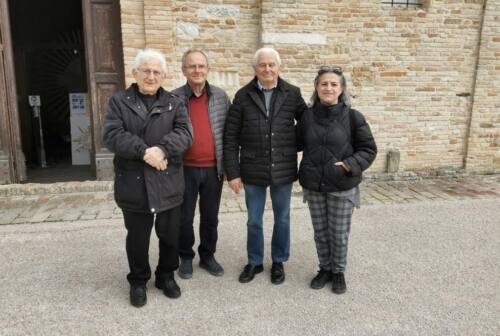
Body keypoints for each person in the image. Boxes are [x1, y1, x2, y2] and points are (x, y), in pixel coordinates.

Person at [102, 49, 193, 307]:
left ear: (163, 75)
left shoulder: (175, 102)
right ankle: (139, 281)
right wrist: (145, 153)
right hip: (135, 182)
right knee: (138, 237)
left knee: (170, 235)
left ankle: (166, 276)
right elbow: (111, 135)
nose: (151, 76)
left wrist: (163, 149)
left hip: (168, 180)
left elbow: (185, 133)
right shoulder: (119, 101)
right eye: (146, 71)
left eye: (156, 72)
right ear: (135, 73)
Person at [224, 47, 307, 284]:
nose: (267, 69)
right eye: (262, 65)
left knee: (282, 217)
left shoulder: (292, 93)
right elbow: (231, 137)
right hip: (252, 169)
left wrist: (293, 146)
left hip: (282, 168)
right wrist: (233, 172)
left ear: (279, 67)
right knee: (254, 219)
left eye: (272, 64)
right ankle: (255, 261)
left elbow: (307, 124)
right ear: (255, 68)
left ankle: (279, 260)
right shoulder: (242, 96)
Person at [296, 66, 377, 294]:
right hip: (314, 185)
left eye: (333, 84)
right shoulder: (307, 116)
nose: (328, 88)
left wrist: (349, 165)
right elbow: (294, 142)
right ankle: (325, 269)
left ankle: (338, 271)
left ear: (341, 89)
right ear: (316, 87)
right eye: (324, 83)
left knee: (338, 234)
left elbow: (368, 149)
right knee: (320, 232)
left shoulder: (353, 117)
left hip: (341, 184)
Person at [172, 50, 230, 279]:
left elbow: (229, 133)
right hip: (183, 169)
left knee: (210, 216)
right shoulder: (173, 98)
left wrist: (230, 168)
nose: (197, 70)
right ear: (183, 70)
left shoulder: (220, 96)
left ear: (207, 69)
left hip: (213, 169)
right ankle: (185, 256)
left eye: (201, 66)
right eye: (192, 66)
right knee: (184, 217)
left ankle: (207, 255)